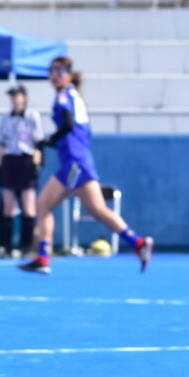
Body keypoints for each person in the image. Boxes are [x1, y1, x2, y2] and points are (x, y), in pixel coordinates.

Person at [17, 56, 152, 274]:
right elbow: (79, 132)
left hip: (74, 162)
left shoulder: (63, 96)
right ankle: (138, 243)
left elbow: (68, 125)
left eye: (60, 71)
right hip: (80, 159)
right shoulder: (74, 96)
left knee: (43, 206)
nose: (55, 75)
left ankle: (43, 257)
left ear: (69, 74)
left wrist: (48, 140)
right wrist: (52, 143)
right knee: (97, 210)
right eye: (52, 71)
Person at [0, 84, 44, 255]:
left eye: (17, 95)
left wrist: (36, 165)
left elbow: (38, 143)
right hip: (10, 161)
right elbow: (1, 144)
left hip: (26, 161)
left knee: (28, 205)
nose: (15, 99)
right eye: (12, 96)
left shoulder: (32, 116)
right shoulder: (5, 118)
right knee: (8, 206)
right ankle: (6, 246)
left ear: (24, 97)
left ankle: (26, 246)